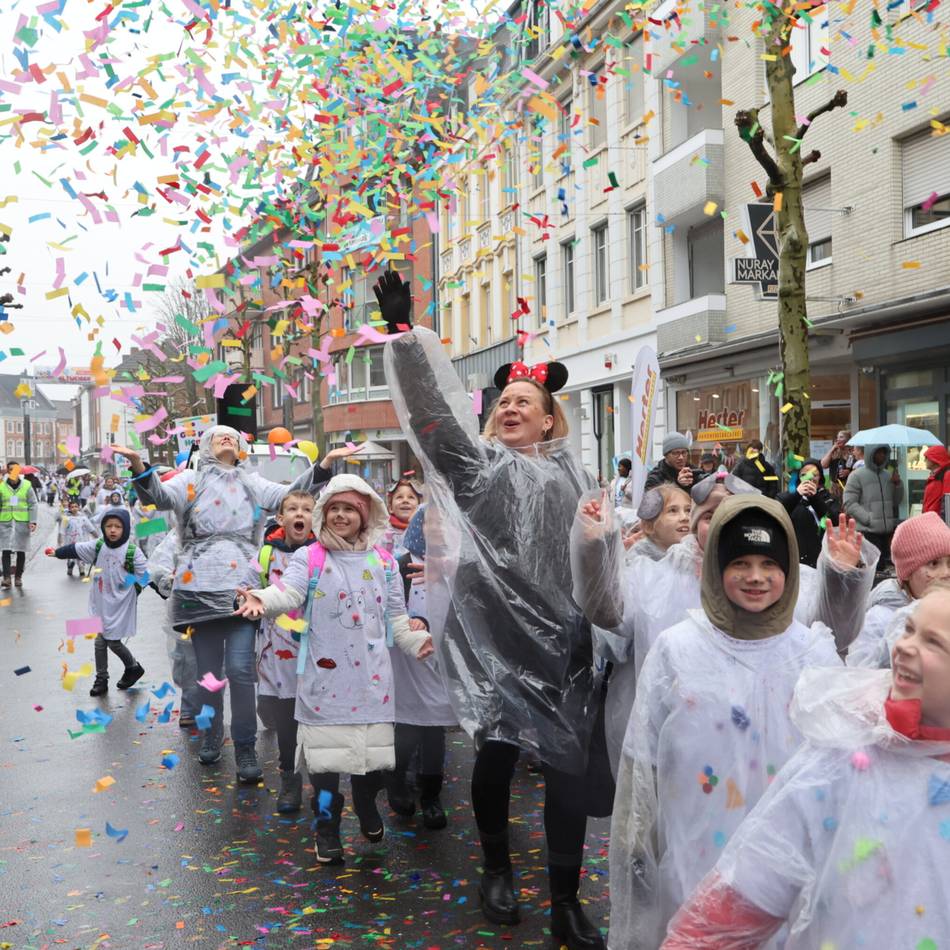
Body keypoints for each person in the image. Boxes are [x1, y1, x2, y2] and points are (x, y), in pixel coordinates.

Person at [378, 270, 607, 948]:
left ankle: (565, 898)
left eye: (524, 401)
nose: (510, 408)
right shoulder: (478, 468)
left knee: (567, 769)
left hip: (565, 644)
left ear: (548, 418)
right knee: (497, 756)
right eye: (503, 400)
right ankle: (498, 869)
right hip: (495, 641)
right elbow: (432, 420)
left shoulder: (578, 476)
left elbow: (600, 556)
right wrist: (405, 339)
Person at [607, 496, 867, 950]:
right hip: (694, 858)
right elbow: (641, 760)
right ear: (715, 567)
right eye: (740, 563)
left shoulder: (812, 653)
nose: (755, 577)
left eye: (770, 564)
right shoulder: (677, 649)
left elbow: (842, 769)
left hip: (788, 870)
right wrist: (636, 841)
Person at [662, 585, 950, 949]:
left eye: (933, 642)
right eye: (908, 629)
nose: (905, 646)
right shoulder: (845, 755)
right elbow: (748, 888)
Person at [571, 471, 877, 779]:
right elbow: (609, 611)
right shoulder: (657, 579)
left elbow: (832, 635)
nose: (723, 523)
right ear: (695, 525)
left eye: (735, 515)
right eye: (710, 516)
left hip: (773, 756)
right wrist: (596, 549)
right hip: (687, 757)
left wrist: (841, 577)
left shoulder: (782, 580)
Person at [110, 429, 356, 784]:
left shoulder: (252, 483)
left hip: (242, 591)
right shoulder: (190, 481)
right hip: (198, 591)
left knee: (241, 671)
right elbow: (158, 498)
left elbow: (291, 496)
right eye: (219, 437)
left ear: (240, 448)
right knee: (209, 676)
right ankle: (212, 735)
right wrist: (138, 464)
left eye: (232, 437)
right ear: (207, 446)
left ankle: (244, 747)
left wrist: (324, 467)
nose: (227, 439)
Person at [235, 474, 433, 864]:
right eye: (334, 508)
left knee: (370, 763)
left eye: (350, 509)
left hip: (372, 682)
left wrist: (416, 640)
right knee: (324, 768)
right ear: (324, 513)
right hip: (324, 682)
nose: (341, 515)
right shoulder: (310, 557)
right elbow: (289, 592)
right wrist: (262, 599)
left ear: (365, 515)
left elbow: (396, 617)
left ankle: (365, 801)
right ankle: (326, 829)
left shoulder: (384, 562)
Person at [385, 502, 458, 830]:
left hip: (441, 661)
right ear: (419, 526)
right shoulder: (401, 565)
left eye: (445, 522)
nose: (438, 528)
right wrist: (409, 623)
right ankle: (396, 780)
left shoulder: (458, 564)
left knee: (434, 731)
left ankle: (431, 795)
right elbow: (387, 607)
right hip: (408, 661)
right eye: (431, 521)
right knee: (408, 728)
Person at [246, 489, 318, 813]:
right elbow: (247, 584)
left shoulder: (324, 553)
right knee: (287, 722)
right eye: (292, 509)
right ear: (280, 518)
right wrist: (243, 599)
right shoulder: (265, 555)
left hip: (317, 652)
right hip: (277, 653)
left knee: (317, 721)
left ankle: (322, 781)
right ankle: (290, 778)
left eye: (307, 509)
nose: (299, 514)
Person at [45, 508, 147, 696]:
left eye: (118, 526)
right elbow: (76, 548)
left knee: (113, 642)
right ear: (103, 527)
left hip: (121, 605)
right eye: (109, 526)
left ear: (125, 528)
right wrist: (57, 552)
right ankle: (102, 679)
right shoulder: (99, 545)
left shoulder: (133, 552)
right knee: (100, 641)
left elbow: (145, 576)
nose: (113, 530)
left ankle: (133, 667)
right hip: (100, 602)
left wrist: (130, 586)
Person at [848, 511, 950, 668]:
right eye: (934, 564)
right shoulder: (879, 619)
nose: (946, 573)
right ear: (907, 573)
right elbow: (860, 670)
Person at [148, 530, 203, 729]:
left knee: (216, 661)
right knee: (187, 660)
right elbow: (158, 567)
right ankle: (189, 705)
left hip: (219, 609)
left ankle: (210, 708)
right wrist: (167, 580)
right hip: (185, 610)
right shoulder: (179, 535)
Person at [843, 442, 902, 566]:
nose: (882, 455)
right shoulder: (856, 475)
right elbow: (849, 503)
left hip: (887, 533)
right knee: (873, 569)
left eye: (884, 452)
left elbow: (896, 501)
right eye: (879, 452)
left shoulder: (888, 475)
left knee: (886, 570)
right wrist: (868, 519)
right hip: (867, 532)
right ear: (871, 453)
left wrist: (897, 484)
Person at [776, 457, 842, 568]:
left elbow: (834, 523)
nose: (809, 478)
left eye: (814, 475)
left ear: (820, 477)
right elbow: (778, 514)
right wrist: (797, 495)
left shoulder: (829, 499)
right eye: (804, 474)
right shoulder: (785, 497)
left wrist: (815, 498)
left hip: (822, 558)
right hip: (795, 558)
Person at [630, 484, 691, 563]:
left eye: (688, 510)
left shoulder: (694, 554)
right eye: (673, 510)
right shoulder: (637, 561)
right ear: (649, 526)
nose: (685, 517)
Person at [0, 461, 38, 589]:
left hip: (22, 523)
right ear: (8, 471)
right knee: (5, 550)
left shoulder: (27, 485)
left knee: (21, 550)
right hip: (5, 523)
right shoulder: (1, 486)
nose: (14, 471)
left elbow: (33, 504)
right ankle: (6, 578)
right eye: (11, 469)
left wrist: (33, 521)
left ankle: (18, 577)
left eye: (16, 469)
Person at [59, 498, 97, 577]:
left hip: (82, 541)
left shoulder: (83, 518)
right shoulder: (66, 519)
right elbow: (62, 531)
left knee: (81, 556)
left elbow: (91, 529)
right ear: (69, 508)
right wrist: (61, 542)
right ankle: (70, 567)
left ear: (79, 507)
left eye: (76, 506)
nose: (74, 508)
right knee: (71, 557)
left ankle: (81, 569)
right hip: (70, 542)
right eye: (72, 507)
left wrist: (97, 537)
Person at [821, 429, 855, 497]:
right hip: (834, 486)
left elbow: (858, 469)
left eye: (841, 437)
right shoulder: (834, 452)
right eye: (837, 437)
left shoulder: (853, 453)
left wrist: (849, 472)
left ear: (848, 440)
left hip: (848, 485)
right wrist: (832, 449)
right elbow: (823, 465)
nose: (838, 439)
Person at [922, 443, 950, 517]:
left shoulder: (946, 474)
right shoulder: (934, 475)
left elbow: (947, 501)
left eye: (927, 457)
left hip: (937, 520)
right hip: (930, 518)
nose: (925, 460)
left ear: (934, 458)